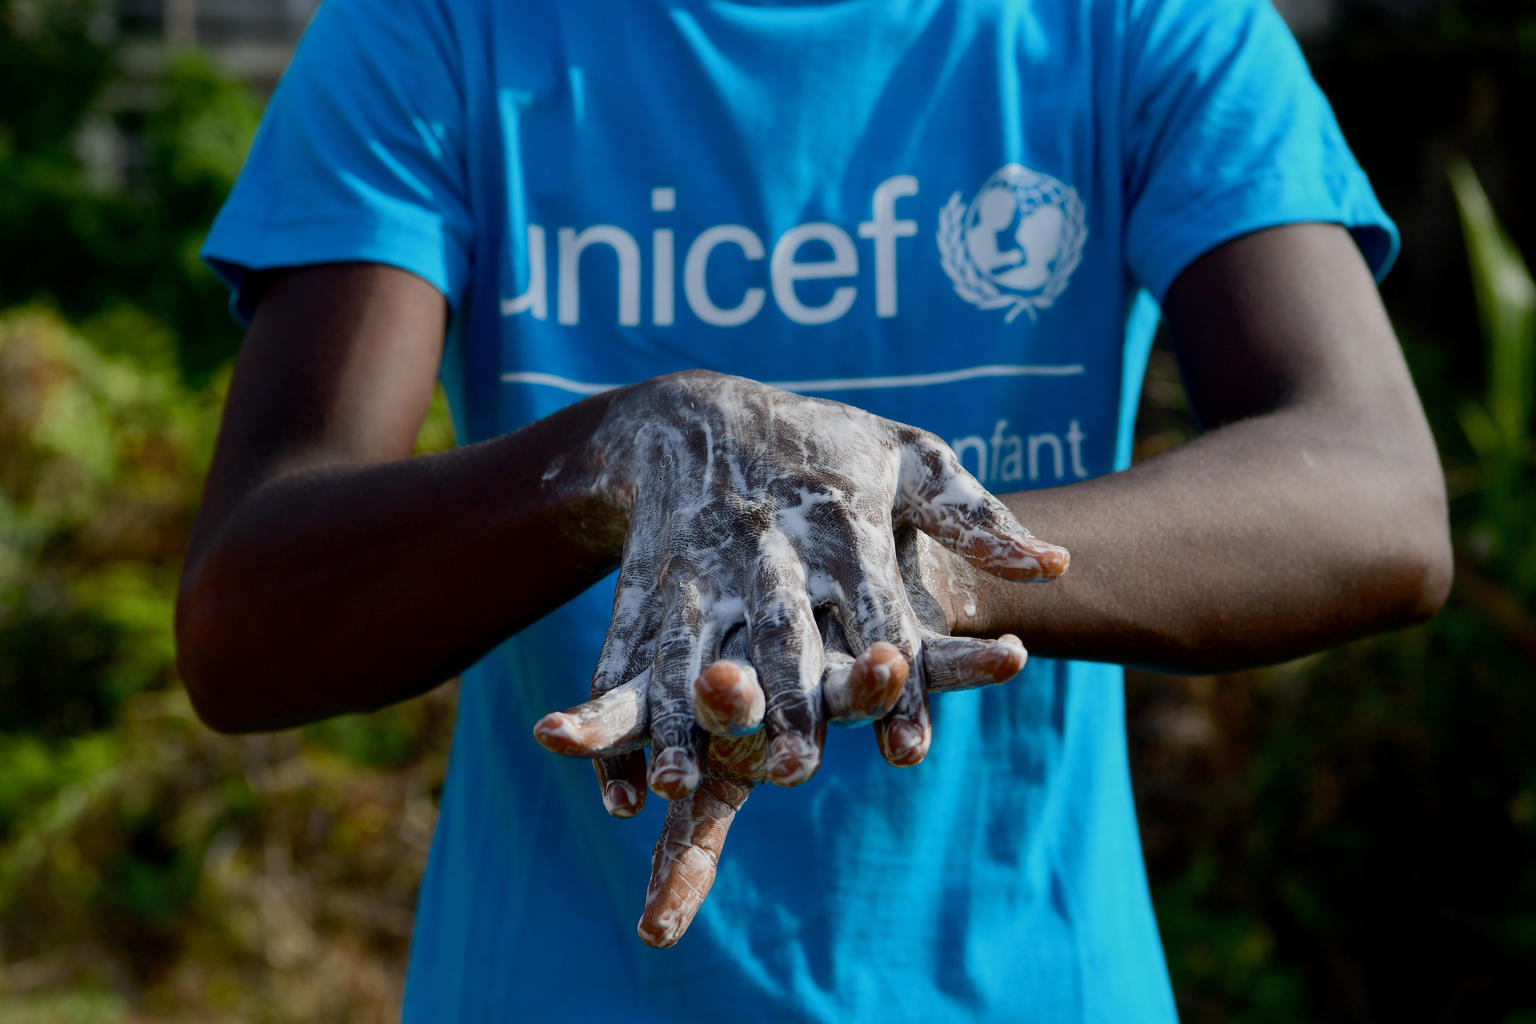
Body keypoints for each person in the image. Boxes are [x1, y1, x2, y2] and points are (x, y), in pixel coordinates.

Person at [176, 0, 1452, 1018]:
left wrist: (909, 568)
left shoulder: (1137, 21)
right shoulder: (444, 27)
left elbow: (1372, 491)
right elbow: (249, 614)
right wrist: (633, 449)